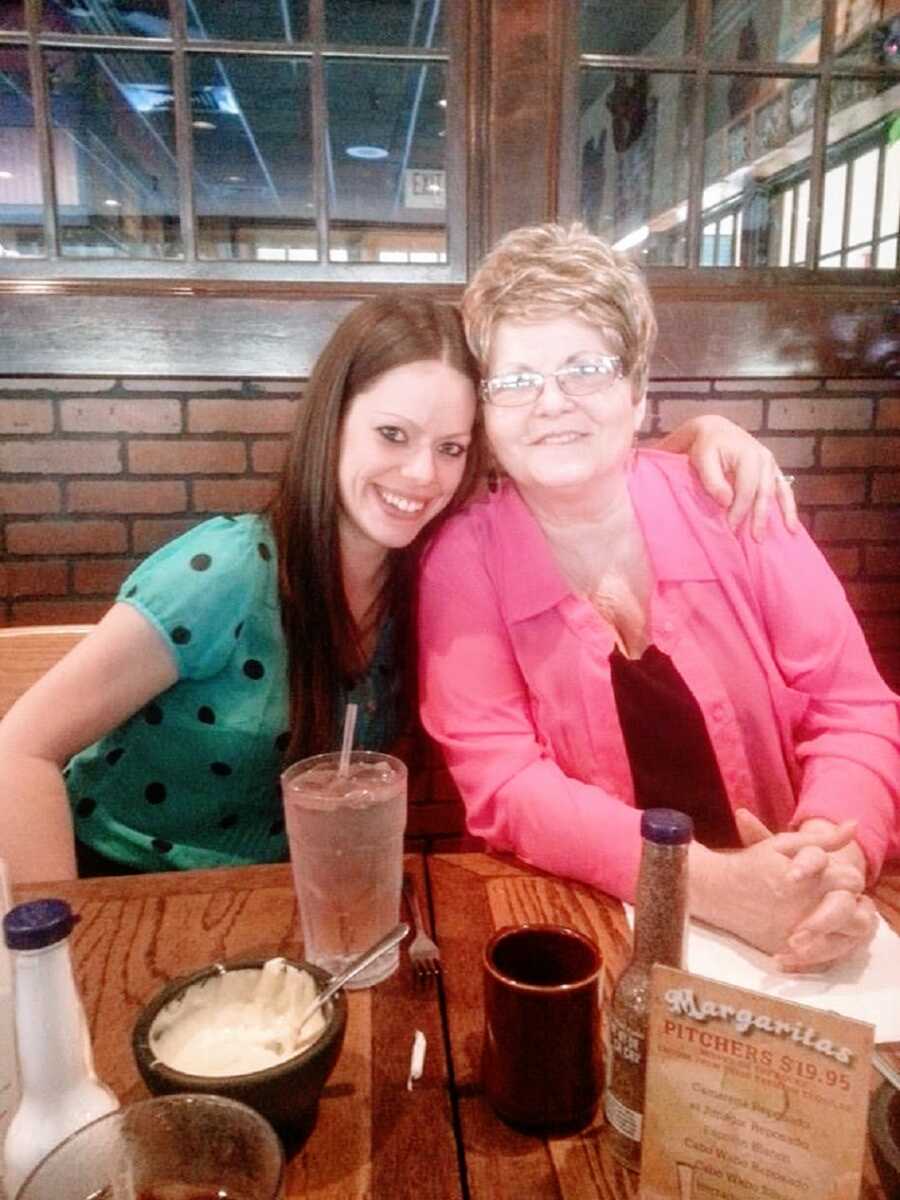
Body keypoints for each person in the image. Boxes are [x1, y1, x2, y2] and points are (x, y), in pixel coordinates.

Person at [0, 294, 789, 885]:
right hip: (118, 884)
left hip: (287, 902)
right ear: (332, 421)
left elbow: (579, 474)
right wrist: (61, 956)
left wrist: (702, 438)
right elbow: (19, 751)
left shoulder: (433, 568)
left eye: (450, 448)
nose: (421, 476)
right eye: (392, 435)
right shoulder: (225, 574)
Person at [417, 223, 900, 972]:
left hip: (799, 912)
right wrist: (713, 886)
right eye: (516, 379)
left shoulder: (733, 502)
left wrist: (831, 855)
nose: (551, 403)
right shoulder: (463, 562)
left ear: (638, 392)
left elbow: (853, 708)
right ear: (484, 409)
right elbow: (505, 784)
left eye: (585, 369)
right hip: (591, 934)